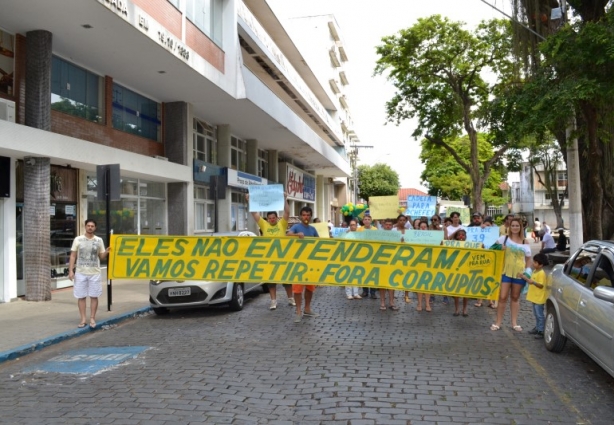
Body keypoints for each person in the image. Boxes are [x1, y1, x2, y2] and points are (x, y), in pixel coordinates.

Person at [245, 192, 295, 310]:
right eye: (270, 218)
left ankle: (290, 298)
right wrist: (249, 200)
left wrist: (285, 198)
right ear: (267, 219)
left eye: (274, 218)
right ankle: (273, 301)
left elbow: (287, 212)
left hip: (283, 257)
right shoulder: (264, 225)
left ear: (277, 218)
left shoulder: (282, 224)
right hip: (269, 258)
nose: (272, 220)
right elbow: (254, 214)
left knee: (287, 280)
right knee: (271, 282)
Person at [490, 218, 532, 332]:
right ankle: (498, 322)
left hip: (519, 273)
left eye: (517, 225)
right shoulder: (504, 239)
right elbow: (491, 248)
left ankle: (514, 323)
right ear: (509, 227)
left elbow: (528, 259)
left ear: (521, 227)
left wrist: (528, 271)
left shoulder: (525, 242)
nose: (514, 227)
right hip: (506, 272)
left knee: (515, 297)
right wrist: (500, 247)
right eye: (513, 225)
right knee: (502, 297)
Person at [68, 219, 110, 329]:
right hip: (81, 272)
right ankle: (83, 319)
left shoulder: (99, 240)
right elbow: (73, 256)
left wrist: (106, 252)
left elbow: (101, 256)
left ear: (95, 228)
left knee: (94, 296)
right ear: (85, 227)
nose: (90, 227)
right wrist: (71, 270)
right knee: (81, 296)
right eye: (88, 225)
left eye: (92, 226)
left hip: (94, 273)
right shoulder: (78, 239)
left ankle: (92, 318)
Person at [287, 206, 319, 323]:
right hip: (298, 263)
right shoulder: (296, 227)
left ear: (310, 216)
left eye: (308, 215)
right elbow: (287, 235)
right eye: (304, 215)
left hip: (310, 263)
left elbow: (319, 242)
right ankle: (298, 311)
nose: (306, 217)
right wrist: (297, 235)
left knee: (310, 288)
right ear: (301, 216)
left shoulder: (313, 229)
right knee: (297, 289)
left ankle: (307, 309)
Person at [519, 253, 549, 339]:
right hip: (535, 297)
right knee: (536, 314)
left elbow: (541, 285)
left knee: (539, 315)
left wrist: (533, 282)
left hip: (539, 298)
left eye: (535, 262)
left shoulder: (541, 274)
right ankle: (538, 327)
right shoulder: (535, 271)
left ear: (541, 264)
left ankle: (541, 330)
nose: (533, 263)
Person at [474, 218, 496, 309]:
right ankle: (480, 300)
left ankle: (490, 300)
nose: (486, 227)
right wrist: (480, 228)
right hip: (480, 258)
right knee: (480, 279)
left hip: (491, 258)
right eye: (485, 225)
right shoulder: (478, 231)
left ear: (492, 225)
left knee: (490, 280)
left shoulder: (495, 234)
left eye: (488, 225)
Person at [379, 219, 399, 311]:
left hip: (393, 262)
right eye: (386, 224)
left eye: (390, 224)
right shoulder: (379, 235)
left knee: (392, 283)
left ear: (392, 226)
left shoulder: (396, 235)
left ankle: (391, 302)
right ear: (383, 225)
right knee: (382, 283)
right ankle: (382, 302)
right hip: (382, 261)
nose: (388, 226)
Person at [358, 215, 378, 299]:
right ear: (363, 221)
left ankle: (373, 292)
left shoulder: (375, 230)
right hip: (362, 255)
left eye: (368, 219)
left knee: (372, 273)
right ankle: (365, 291)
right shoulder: (359, 230)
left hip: (373, 254)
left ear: (371, 221)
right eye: (365, 219)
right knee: (363, 273)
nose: (366, 221)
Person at [450, 229, 469, 317]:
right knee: (457, 291)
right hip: (456, 270)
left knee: (465, 291)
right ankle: (457, 309)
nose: (461, 237)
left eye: (463, 235)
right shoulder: (452, 245)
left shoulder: (470, 245)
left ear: (465, 237)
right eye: (459, 235)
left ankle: (465, 309)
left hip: (466, 270)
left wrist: (482, 247)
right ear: (456, 237)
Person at [344, 219, 362, 300]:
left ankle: (355, 293)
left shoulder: (359, 234)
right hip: (348, 257)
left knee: (356, 275)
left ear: (356, 225)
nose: (352, 226)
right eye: (351, 225)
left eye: (354, 225)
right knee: (348, 275)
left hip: (357, 257)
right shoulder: (346, 234)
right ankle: (348, 293)